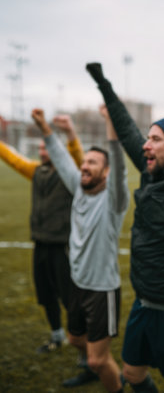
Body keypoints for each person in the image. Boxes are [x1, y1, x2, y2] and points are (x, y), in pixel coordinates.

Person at [86, 63, 164, 393]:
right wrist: (104, 85)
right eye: (147, 138)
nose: (145, 145)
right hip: (143, 302)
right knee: (132, 374)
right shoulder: (152, 173)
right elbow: (125, 131)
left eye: (155, 139)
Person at [32, 105, 129, 393]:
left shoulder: (113, 201)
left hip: (102, 291)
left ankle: (113, 382)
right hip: (77, 284)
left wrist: (110, 120)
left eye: (93, 163)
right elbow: (62, 160)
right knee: (75, 340)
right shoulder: (79, 189)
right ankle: (92, 364)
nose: (85, 166)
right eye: (84, 162)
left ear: (106, 171)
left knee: (99, 361)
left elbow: (120, 164)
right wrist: (45, 127)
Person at [0, 116, 83, 353]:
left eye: (45, 147)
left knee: (70, 298)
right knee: (46, 294)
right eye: (39, 149)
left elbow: (77, 157)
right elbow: (14, 160)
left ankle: (83, 346)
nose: (42, 152)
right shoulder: (36, 171)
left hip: (62, 246)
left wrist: (70, 135)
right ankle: (57, 336)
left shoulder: (71, 175)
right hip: (40, 244)